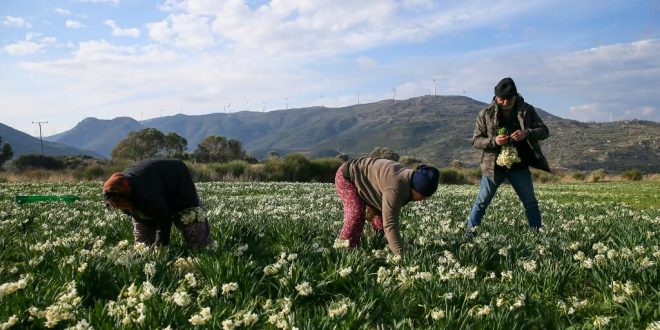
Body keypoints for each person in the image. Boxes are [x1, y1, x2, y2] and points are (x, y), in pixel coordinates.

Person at [466, 77, 550, 238]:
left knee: (530, 203)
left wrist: (527, 133)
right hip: (493, 166)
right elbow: (476, 140)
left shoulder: (527, 110)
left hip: (519, 165)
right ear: (496, 97)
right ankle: (469, 237)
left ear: (515, 96)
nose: (505, 102)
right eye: (501, 99)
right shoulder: (485, 114)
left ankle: (538, 238)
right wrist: (494, 141)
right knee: (482, 202)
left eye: (508, 99)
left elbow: (544, 131)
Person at [335, 157, 440, 256]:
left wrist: (374, 209)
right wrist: (401, 255)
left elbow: (380, 187)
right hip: (347, 176)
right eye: (424, 196)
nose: (424, 199)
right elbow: (390, 225)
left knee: (381, 228)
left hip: (366, 182)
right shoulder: (396, 188)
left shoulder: (410, 179)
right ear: (417, 189)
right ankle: (342, 251)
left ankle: (378, 249)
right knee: (356, 214)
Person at [102, 159, 211, 249]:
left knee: (191, 225)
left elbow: (164, 220)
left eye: (121, 205)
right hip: (154, 186)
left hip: (179, 184)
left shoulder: (147, 193)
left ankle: (202, 253)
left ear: (128, 197)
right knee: (142, 247)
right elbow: (139, 219)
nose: (120, 208)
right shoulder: (115, 192)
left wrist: (160, 246)